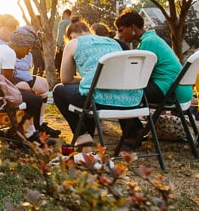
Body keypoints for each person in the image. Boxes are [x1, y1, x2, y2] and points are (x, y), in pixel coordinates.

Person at [52, 19, 137, 149]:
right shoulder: (114, 42)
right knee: (87, 90)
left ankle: (82, 135)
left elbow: (66, 79)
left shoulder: (74, 43)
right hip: (127, 101)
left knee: (58, 90)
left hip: (98, 101)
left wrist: (87, 80)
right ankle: (88, 135)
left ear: (71, 36)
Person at [114, 9, 191, 149]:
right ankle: (136, 130)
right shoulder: (151, 39)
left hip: (169, 89)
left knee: (121, 95)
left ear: (132, 27)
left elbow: (139, 76)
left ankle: (133, 134)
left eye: (121, 30)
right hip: (175, 88)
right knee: (127, 93)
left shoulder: (148, 43)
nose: (120, 35)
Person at [0, 27, 46, 143]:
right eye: (28, 50)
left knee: (28, 95)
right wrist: (27, 92)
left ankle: (19, 133)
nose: (27, 54)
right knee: (36, 101)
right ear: (21, 45)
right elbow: (8, 85)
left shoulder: (0, 49)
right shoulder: (9, 53)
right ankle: (26, 135)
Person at [54, 9, 73, 76]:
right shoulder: (73, 23)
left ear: (65, 14)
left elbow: (61, 35)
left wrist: (58, 46)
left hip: (63, 48)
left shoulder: (63, 23)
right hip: (72, 47)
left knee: (60, 66)